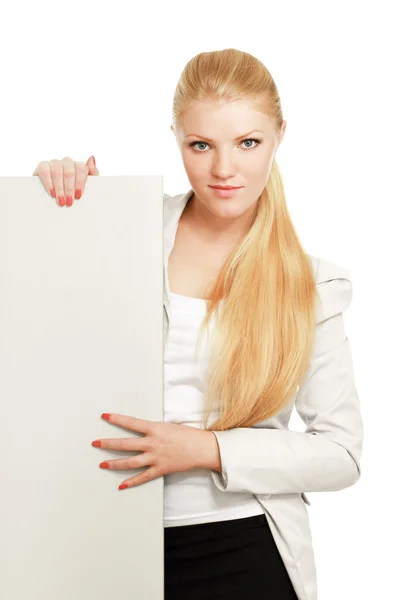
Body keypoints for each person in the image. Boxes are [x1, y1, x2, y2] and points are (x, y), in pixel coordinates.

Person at [32, 48, 364, 600]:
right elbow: (34, 332)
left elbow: (341, 454)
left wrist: (207, 449)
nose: (224, 169)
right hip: (99, 537)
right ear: (176, 138)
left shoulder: (313, 286)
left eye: (248, 143)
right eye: (201, 145)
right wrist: (55, 206)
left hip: (245, 548)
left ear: (280, 136)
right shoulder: (119, 230)